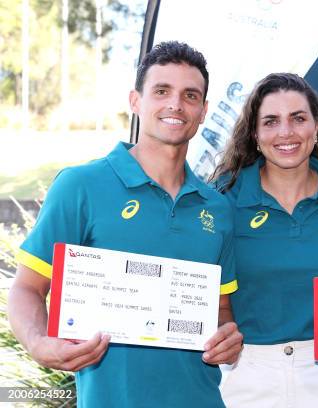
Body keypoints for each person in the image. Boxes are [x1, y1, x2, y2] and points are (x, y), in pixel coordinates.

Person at [8, 41, 243, 407]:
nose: (175, 105)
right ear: (135, 101)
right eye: (161, 91)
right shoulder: (81, 186)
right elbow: (26, 289)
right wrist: (39, 343)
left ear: (203, 111)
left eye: (190, 95)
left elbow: (220, 309)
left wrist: (227, 337)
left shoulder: (218, 207)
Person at [211, 73, 318, 408]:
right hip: (243, 374)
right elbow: (212, 295)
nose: (286, 132)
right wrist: (223, 334)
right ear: (255, 134)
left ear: (316, 127)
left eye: (298, 118)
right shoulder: (221, 199)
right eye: (271, 121)